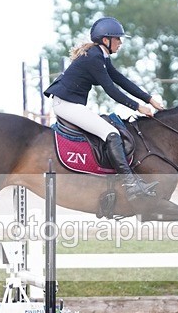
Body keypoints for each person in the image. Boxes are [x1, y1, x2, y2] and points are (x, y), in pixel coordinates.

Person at [44, 16, 164, 200]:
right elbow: (111, 90)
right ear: (105, 40)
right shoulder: (94, 57)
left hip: (69, 103)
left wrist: (149, 99)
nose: (120, 42)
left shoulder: (100, 56)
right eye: (117, 38)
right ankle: (130, 184)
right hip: (66, 105)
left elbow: (121, 80)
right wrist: (138, 107)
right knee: (111, 133)